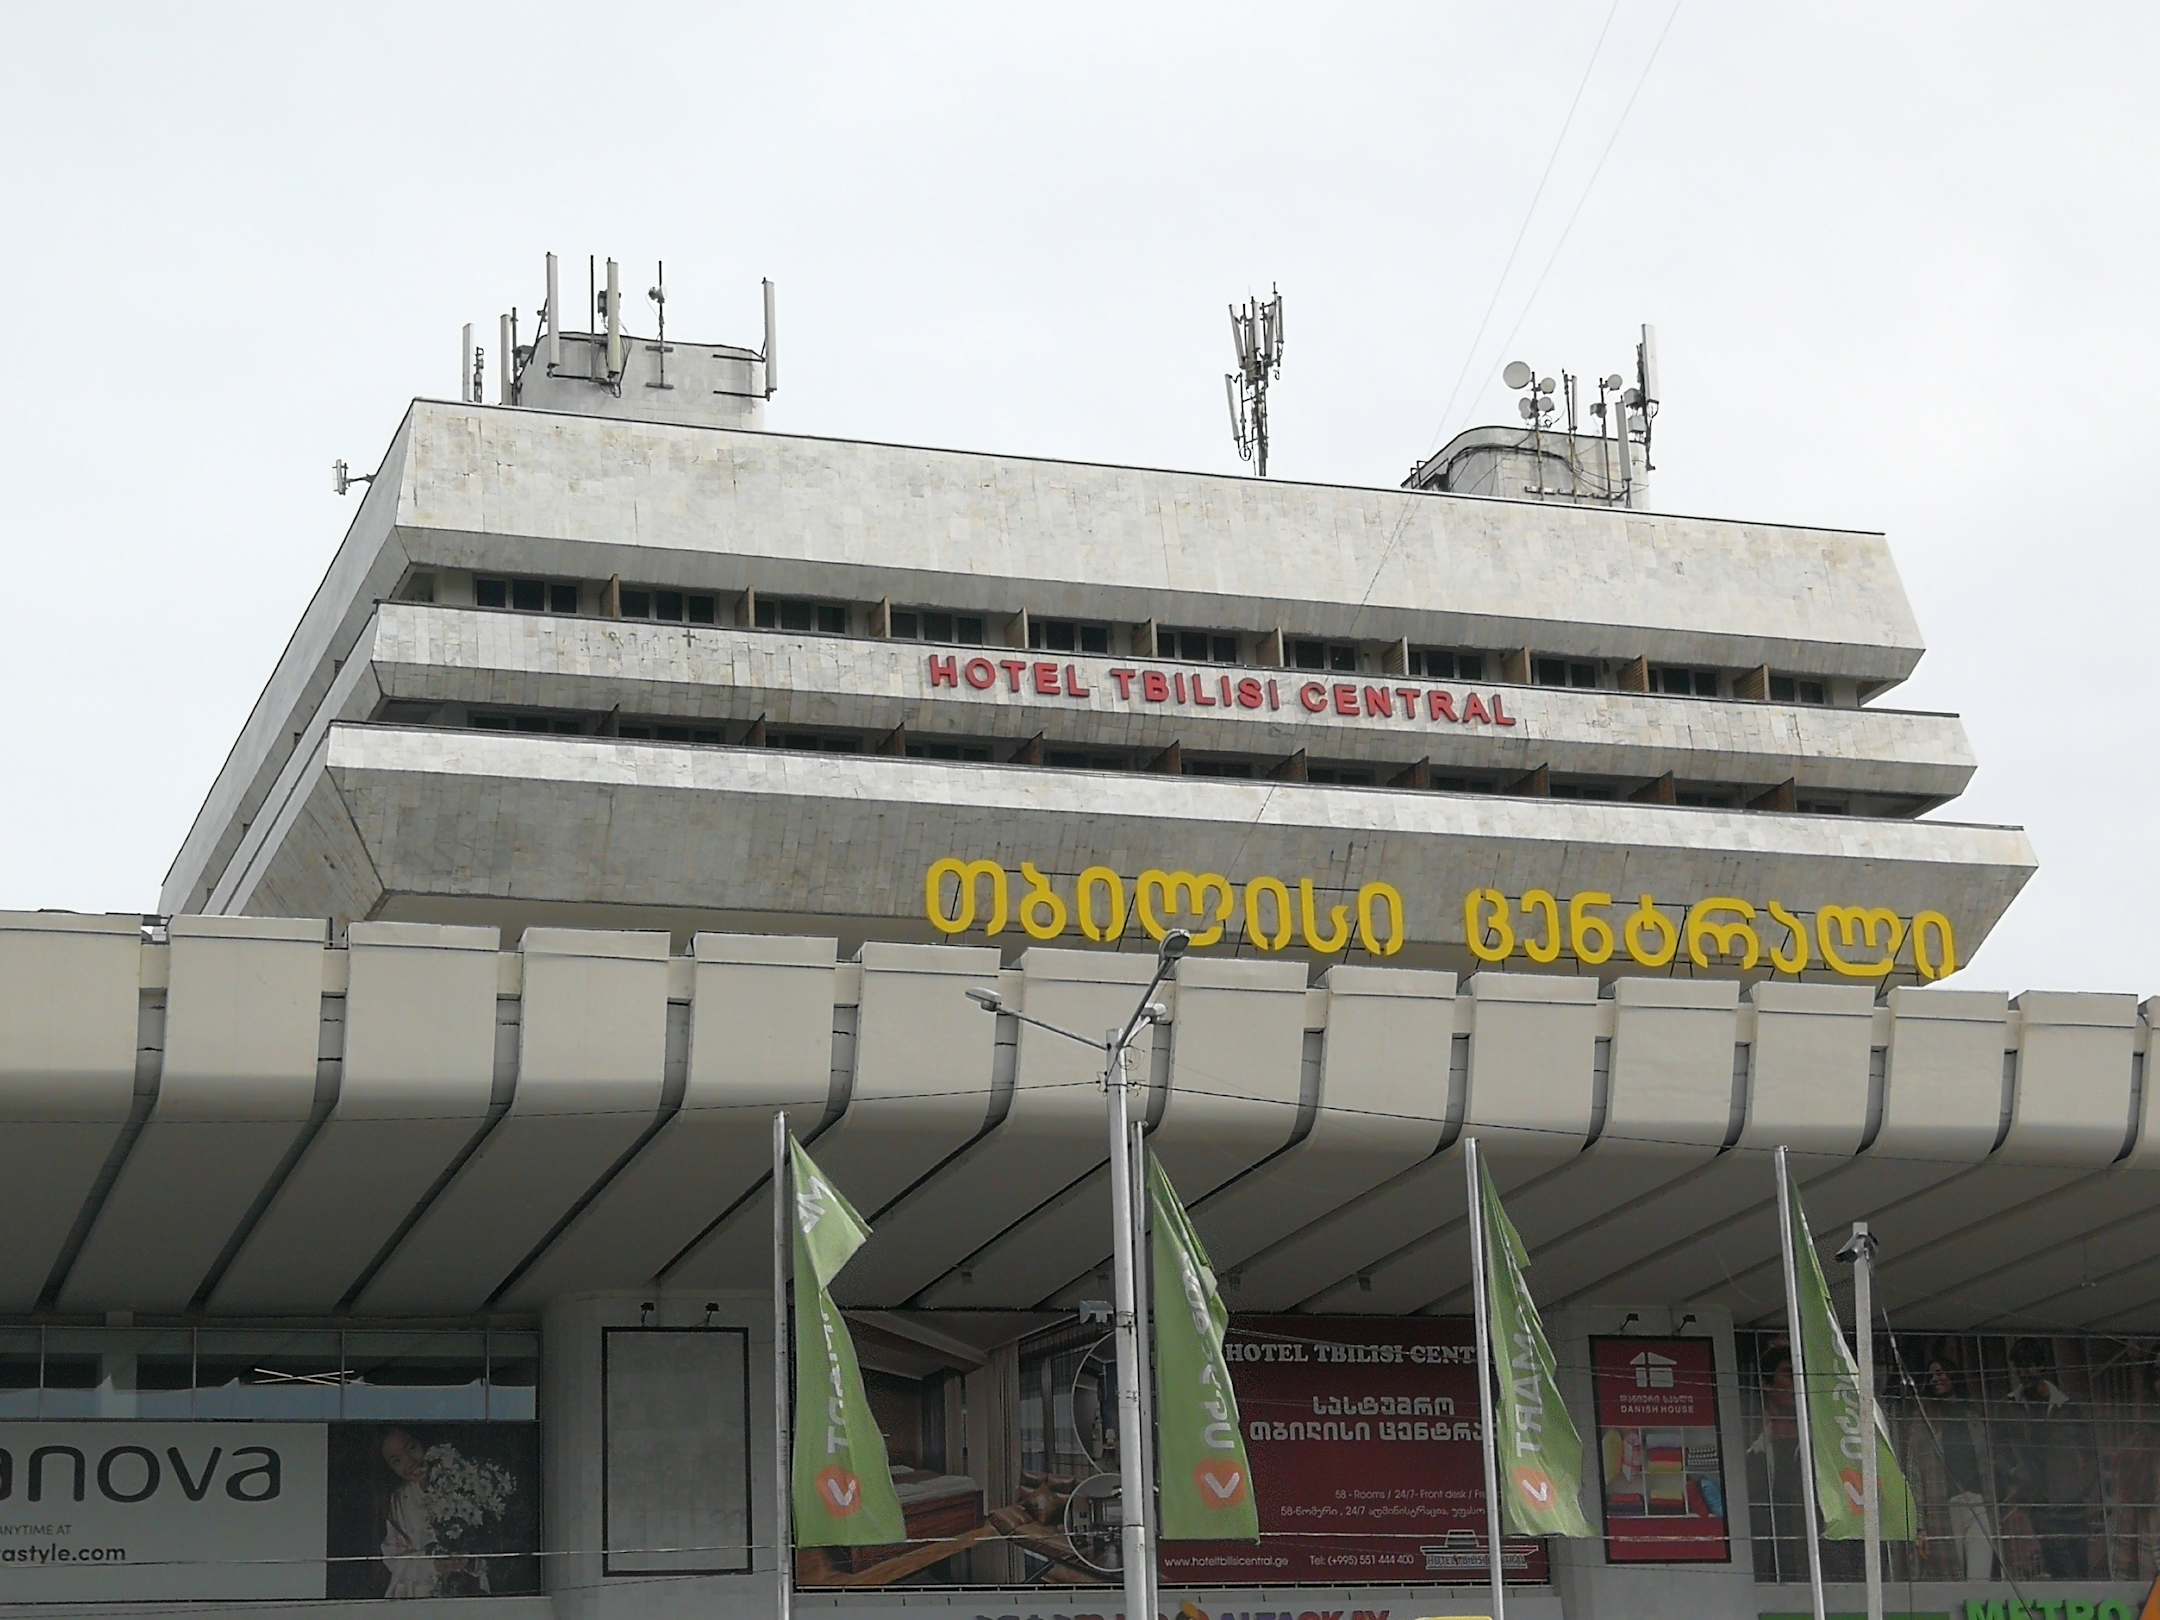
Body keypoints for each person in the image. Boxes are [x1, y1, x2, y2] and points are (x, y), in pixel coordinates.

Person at [1903, 1339, 1995, 1580]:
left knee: (1980, 1575)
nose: (1936, 1379)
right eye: (1931, 1375)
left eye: (1940, 1373)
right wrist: (1919, 1525)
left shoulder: (1973, 1416)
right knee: (1952, 1575)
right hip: (1945, 1505)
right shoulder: (1923, 1421)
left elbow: (1990, 1463)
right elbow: (1914, 1474)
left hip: (1978, 1502)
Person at [377, 1427, 489, 1600]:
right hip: (419, 1591)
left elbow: (486, 1539)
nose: (410, 1462)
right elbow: (393, 1559)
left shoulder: (459, 1481)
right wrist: (432, 1564)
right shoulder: (398, 1501)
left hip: (466, 1587)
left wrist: (469, 1560)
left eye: (411, 1448)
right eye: (397, 1461)